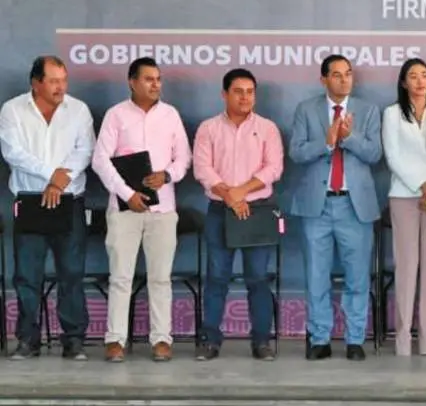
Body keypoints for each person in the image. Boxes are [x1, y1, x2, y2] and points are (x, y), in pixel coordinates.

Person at [91, 57, 191, 363]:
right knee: (120, 277)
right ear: (132, 82)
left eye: (158, 79)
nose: (155, 84)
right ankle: (115, 340)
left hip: (163, 209)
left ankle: (161, 339)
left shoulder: (171, 115)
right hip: (124, 210)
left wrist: (167, 175)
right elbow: (100, 160)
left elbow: (183, 158)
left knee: (160, 278)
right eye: (148, 79)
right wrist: (127, 194)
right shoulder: (116, 115)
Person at [0, 56, 95, 361]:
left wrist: (59, 182)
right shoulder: (13, 110)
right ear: (36, 83)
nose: (60, 87)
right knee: (27, 276)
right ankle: (28, 340)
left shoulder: (78, 110)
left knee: (71, 274)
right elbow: (13, 152)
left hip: (69, 200)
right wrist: (51, 175)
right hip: (30, 201)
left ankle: (74, 340)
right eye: (53, 81)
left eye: (64, 80)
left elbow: (85, 150)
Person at [289, 54, 382, 361]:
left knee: (357, 277)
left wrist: (348, 138)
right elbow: (296, 153)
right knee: (317, 276)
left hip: (355, 207)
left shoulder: (368, 111)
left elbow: (374, 154)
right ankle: (320, 339)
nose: (344, 80)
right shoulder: (306, 110)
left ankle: (355, 340)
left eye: (348, 74)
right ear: (324, 79)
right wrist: (328, 142)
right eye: (337, 75)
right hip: (317, 206)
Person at [193, 68, 284, 361]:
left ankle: (261, 341)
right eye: (238, 91)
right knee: (216, 277)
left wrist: (239, 192)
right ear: (224, 94)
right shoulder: (208, 128)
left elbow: (274, 168)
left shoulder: (267, 128)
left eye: (250, 92)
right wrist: (229, 196)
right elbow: (202, 169)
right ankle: (210, 340)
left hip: (256, 211)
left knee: (258, 278)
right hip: (220, 211)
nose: (245, 97)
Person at [382, 58, 426, 357]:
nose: (420, 81)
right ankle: (402, 339)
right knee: (407, 265)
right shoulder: (392, 114)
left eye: (424, 75)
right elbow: (393, 156)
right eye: (413, 76)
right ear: (403, 82)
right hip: (404, 194)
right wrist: (420, 185)